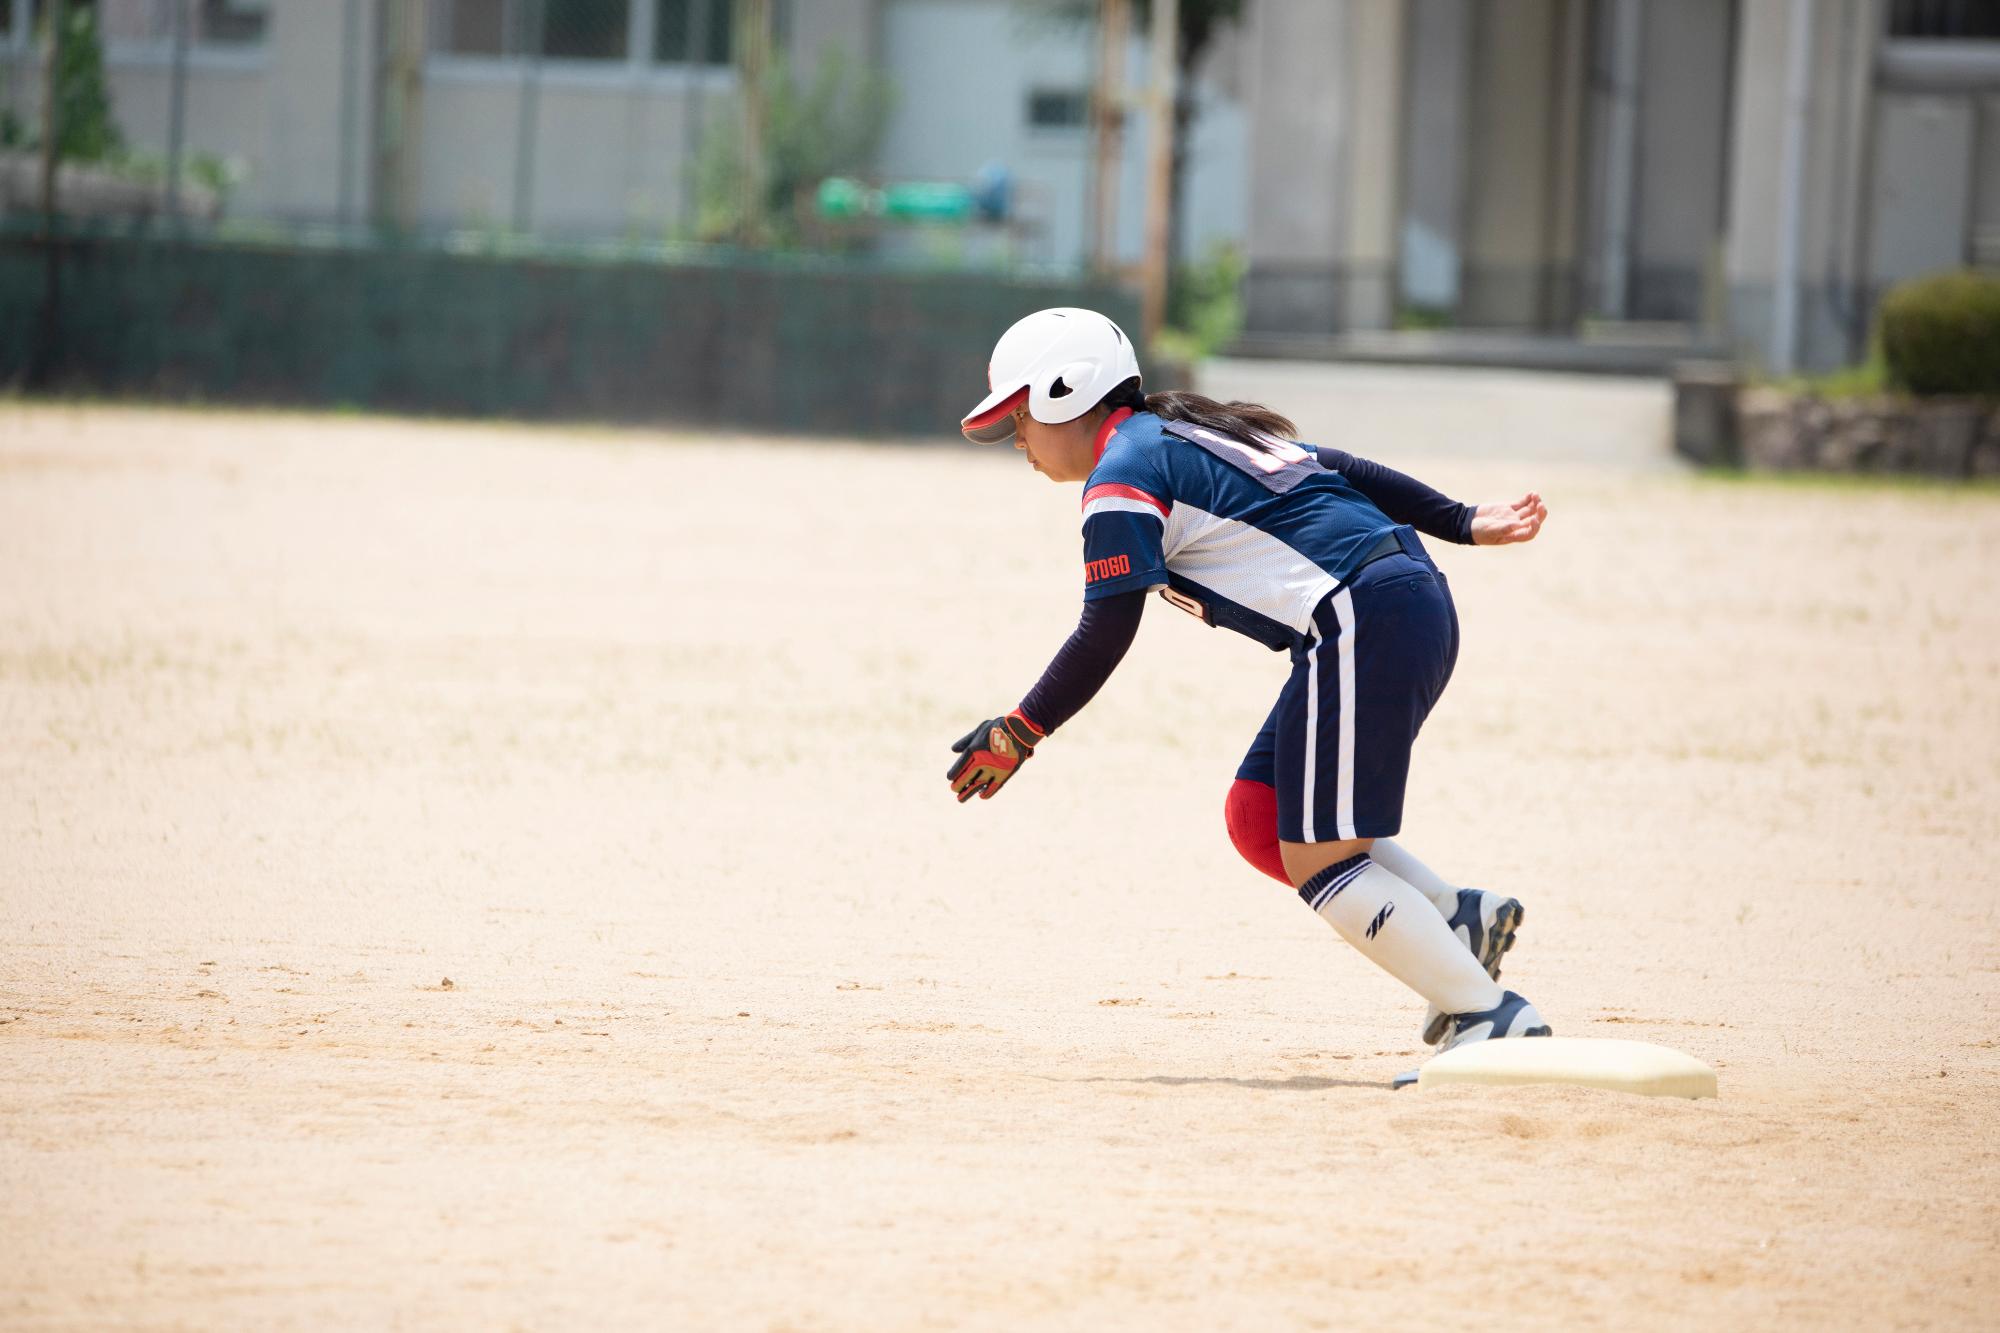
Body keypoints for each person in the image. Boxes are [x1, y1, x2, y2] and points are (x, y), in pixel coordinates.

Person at [944, 307, 1554, 1054]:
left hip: (1362, 616)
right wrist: (1457, 520)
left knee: (1319, 857)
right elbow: (1343, 466)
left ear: (1065, 393)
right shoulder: (1186, 431)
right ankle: (1454, 917)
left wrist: (1020, 729)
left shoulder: (1120, 477)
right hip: (1391, 604)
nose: (1019, 441)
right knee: (1261, 815)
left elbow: (1106, 628)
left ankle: (1487, 1013)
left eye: (1020, 418)